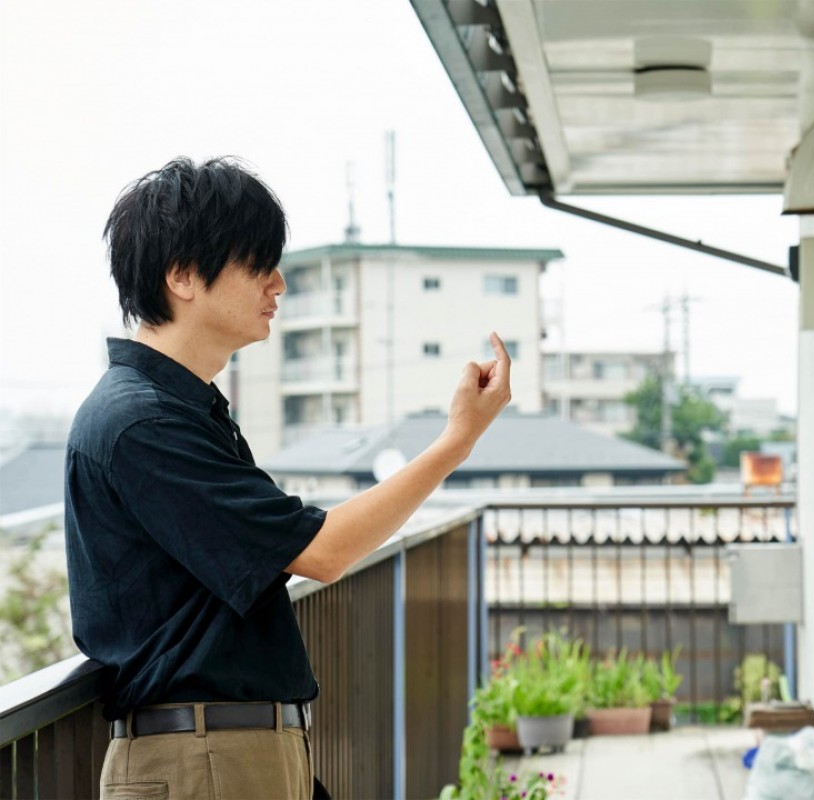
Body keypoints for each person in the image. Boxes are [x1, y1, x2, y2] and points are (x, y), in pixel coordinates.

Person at [64, 156, 512, 800]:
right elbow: (322, 550)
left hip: (223, 751)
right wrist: (456, 441)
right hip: (204, 758)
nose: (278, 284)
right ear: (184, 276)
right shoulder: (142, 423)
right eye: (257, 264)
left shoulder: (174, 408)